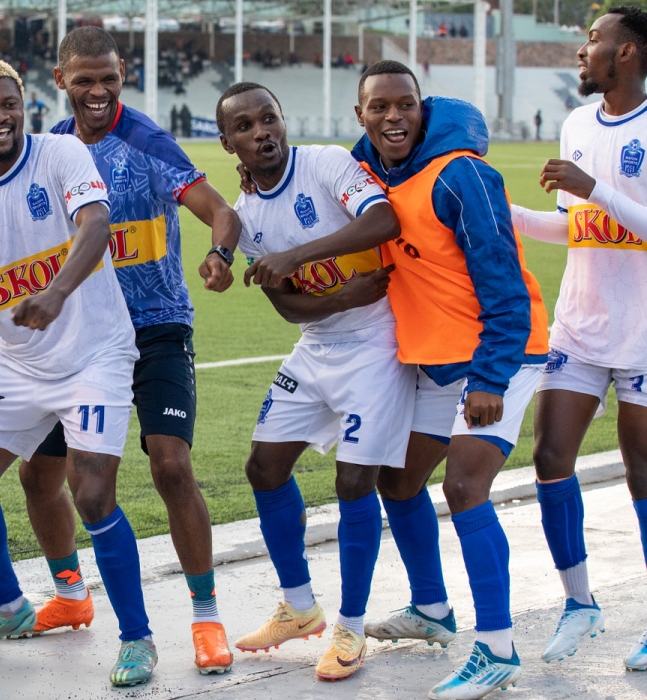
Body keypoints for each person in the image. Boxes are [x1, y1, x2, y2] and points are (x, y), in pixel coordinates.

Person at [249, 60, 549, 699]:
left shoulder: (462, 173)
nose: (393, 117)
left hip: (500, 356)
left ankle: (496, 649)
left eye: (405, 105)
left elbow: (502, 280)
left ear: (424, 107)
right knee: (399, 480)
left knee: (465, 487)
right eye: (378, 107)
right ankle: (432, 609)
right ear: (360, 115)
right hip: (434, 361)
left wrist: (492, 376)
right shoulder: (373, 171)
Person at [0, 57, 154, 689]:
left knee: (92, 492)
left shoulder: (61, 156)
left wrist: (59, 292)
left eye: (7, 104)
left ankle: (137, 638)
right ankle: (7, 605)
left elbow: (95, 226)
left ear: (24, 105)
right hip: (19, 362)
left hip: (95, 352)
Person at [30, 25, 240, 676]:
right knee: (47, 477)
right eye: (84, 79)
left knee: (171, 466)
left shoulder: (146, 142)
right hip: (83, 337)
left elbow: (221, 211)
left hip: (156, 326)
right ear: (59, 79)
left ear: (124, 73)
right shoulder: (49, 149)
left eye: (109, 78)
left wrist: (220, 254)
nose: (98, 91)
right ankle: (72, 593)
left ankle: (205, 617)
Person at [218, 81, 406, 682]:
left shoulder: (325, 163)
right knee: (263, 467)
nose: (260, 132)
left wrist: (301, 258)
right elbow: (290, 309)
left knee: (355, 480)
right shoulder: (247, 218)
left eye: (268, 118)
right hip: (317, 348)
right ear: (229, 144)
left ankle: (350, 627)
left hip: (377, 344)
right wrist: (339, 295)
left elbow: (384, 219)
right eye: (244, 127)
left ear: (282, 120)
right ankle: (300, 607)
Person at [505, 6, 647, 670]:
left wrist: (595, 188)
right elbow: (576, 227)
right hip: (581, 327)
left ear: (628, 53)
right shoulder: (575, 122)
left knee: (642, 473)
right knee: (550, 455)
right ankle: (580, 602)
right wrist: (503, 214)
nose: (582, 49)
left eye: (594, 39)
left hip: (644, 334)